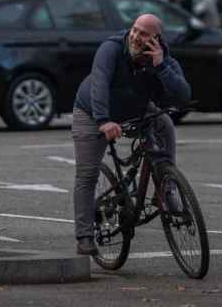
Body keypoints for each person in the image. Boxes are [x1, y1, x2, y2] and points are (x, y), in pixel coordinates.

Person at [70, 13, 191, 256]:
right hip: (93, 111)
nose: (136, 36)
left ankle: (166, 189)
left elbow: (183, 95)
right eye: (135, 29)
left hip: (134, 108)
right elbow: (100, 84)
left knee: (164, 123)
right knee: (87, 174)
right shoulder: (111, 48)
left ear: (156, 38)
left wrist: (161, 67)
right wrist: (104, 120)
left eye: (144, 33)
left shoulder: (161, 57)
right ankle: (84, 236)